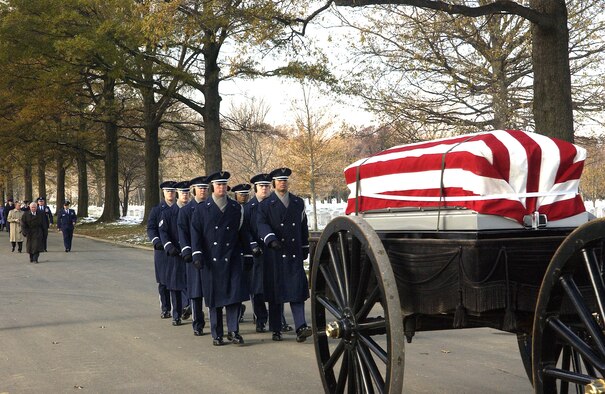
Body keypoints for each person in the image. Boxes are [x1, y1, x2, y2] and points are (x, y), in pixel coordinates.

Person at [190, 171, 251, 346]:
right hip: (211, 260)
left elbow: (243, 233)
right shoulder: (201, 209)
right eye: (218, 185)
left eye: (224, 184)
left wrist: (247, 254)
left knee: (234, 298)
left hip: (232, 258)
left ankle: (234, 331)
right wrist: (197, 254)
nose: (221, 187)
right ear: (212, 187)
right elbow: (196, 234)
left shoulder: (235, 207)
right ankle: (217, 334)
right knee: (214, 299)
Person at [256, 167, 312, 342]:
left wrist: (304, 247)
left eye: (285, 180)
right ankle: (276, 328)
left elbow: (303, 226)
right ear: (274, 183)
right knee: (275, 294)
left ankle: (300, 326)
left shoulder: (297, 202)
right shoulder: (265, 204)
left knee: (297, 291)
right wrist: (270, 239)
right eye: (280, 180)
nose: (283, 183)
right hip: (274, 253)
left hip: (293, 252)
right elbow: (261, 224)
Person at [178, 175, 209, 336]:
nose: (203, 190)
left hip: (212, 256)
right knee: (196, 293)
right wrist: (187, 251)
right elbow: (182, 233)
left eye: (205, 188)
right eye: (200, 188)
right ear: (194, 190)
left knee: (212, 291)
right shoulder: (185, 211)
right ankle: (198, 322)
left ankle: (216, 321)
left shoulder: (213, 207)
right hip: (194, 257)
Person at [243, 174, 273, 333]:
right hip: (257, 253)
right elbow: (245, 230)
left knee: (275, 288)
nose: (265, 189)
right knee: (258, 288)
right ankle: (261, 319)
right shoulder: (248, 208)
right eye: (262, 186)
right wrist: (252, 244)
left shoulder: (274, 205)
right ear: (255, 188)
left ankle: (277, 319)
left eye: (267, 186)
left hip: (273, 252)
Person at [159, 181, 190, 326]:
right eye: (182, 192)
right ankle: (176, 315)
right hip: (175, 254)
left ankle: (188, 307)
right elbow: (163, 232)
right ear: (178, 193)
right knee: (175, 286)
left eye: (187, 192)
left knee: (190, 284)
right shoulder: (168, 213)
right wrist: (168, 246)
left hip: (189, 254)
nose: (185, 195)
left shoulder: (193, 210)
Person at [147, 181, 177, 319]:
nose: (170, 193)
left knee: (179, 279)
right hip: (162, 251)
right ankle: (165, 308)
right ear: (163, 192)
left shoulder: (180, 208)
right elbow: (151, 228)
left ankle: (181, 307)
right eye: (168, 191)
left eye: (172, 191)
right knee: (164, 281)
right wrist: (157, 242)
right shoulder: (157, 210)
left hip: (177, 249)